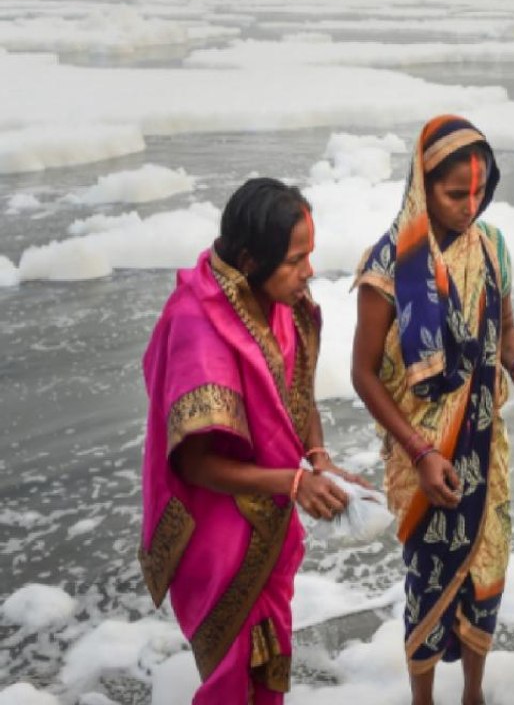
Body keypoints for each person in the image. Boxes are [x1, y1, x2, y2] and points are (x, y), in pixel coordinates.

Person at [139, 177, 363, 704]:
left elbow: (299, 394)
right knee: (229, 676)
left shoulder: (283, 301)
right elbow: (195, 463)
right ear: (249, 259)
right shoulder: (198, 323)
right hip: (216, 531)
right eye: (295, 260)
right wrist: (294, 482)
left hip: (271, 514)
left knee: (268, 665)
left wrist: (319, 459)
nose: (309, 271)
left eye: (310, 255)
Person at [351, 115, 514, 705]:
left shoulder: (492, 248)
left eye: (480, 192)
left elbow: (507, 331)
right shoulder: (387, 270)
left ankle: (474, 694)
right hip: (423, 459)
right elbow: (362, 375)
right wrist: (420, 451)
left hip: (485, 452)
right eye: (455, 193)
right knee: (429, 582)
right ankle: (424, 700)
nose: (470, 205)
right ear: (423, 183)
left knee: (485, 575)